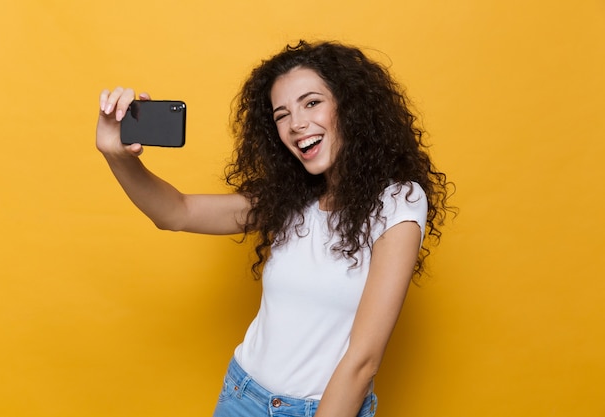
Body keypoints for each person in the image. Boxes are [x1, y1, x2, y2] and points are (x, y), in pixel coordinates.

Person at [96, 40, 452, 417]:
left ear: (351, 106)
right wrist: (115, 155)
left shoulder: (397, 200)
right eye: (282, 114)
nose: (297, 123)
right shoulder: (289, 200)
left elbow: (363, 361)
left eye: (312, 103)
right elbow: (176, 212)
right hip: (242, 397)